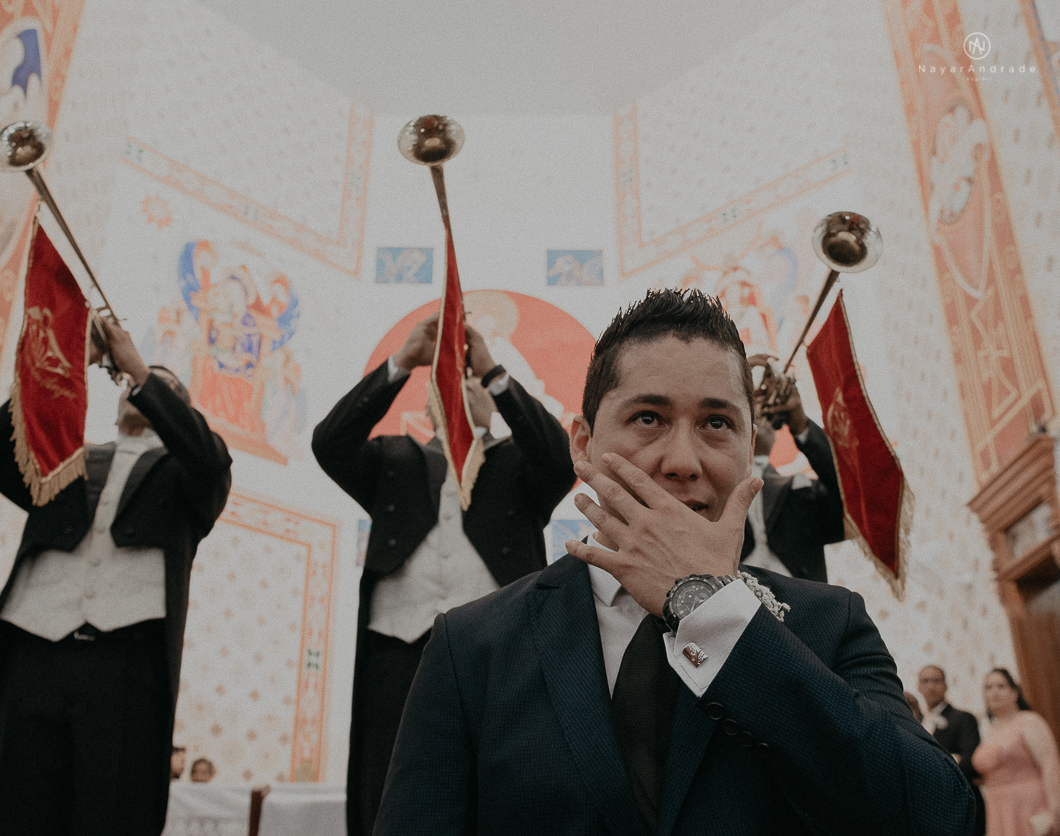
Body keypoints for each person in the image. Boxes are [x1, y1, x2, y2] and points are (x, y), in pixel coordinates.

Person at [374, 288, 973, 835]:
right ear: (582, 444)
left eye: (716, 423)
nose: (682, 460)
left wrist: (715, 612)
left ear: (747, 450)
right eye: (647, 418)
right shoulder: (472, 644)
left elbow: (939, 819)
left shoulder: (829, 624)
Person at [312, 316, 575, 836]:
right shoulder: (392, 459)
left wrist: (492, 373)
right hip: (396, 651)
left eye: (470, 385)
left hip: (500, 655)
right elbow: (331, 444)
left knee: (500, 792)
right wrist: (404, 361)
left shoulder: (522, 467)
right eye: (449, 384)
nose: (460, 389)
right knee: (391, 789)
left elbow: (562, 461)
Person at [0, 319, 233, 836]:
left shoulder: (189, 474)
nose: (140, 390)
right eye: (133, 384)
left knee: (110, 813)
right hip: (34, 654)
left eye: (164, 387)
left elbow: (208, 457)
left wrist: (138, 367)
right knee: (18, 810)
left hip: (125, 665)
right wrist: (70, 361)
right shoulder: (66, 459)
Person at [742, 354, 844, 583]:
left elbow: (851, 497)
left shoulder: (799, 486)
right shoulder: (707, 484)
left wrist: (801, 424)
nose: (759, 409)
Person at [973, 668, 1060, 836]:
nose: (994, 692)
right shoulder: (989, 730)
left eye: (1001, 686)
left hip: (1027, 803)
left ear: (1014, 692)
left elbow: (1050, 765)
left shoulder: (1029, 721)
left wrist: (1055, 810)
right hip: (997, 807)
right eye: (988, 687)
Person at [919, 664, 985, 834]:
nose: (931, 686)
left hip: (962, 803)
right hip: (931, 808)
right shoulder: (917, 724)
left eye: (936, 680)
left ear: (946, 686)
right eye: (925, 681)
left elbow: (970, 761)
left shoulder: (963, 718)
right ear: (919, 687)